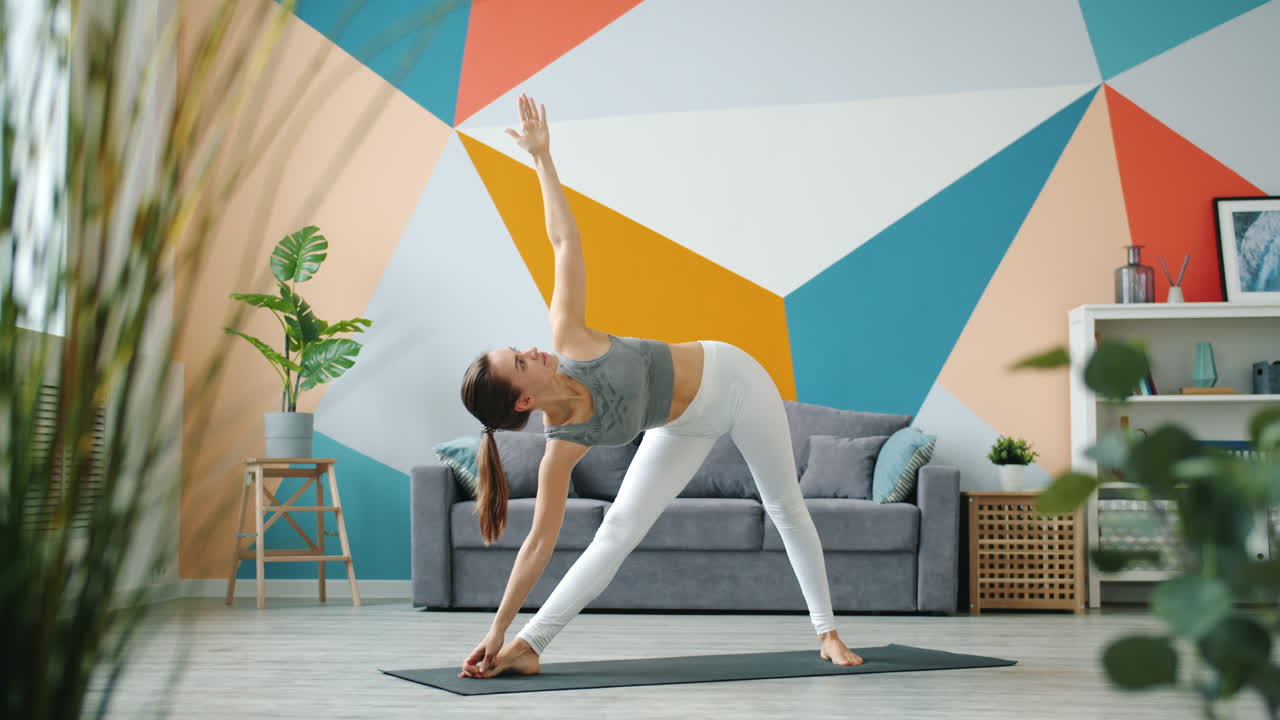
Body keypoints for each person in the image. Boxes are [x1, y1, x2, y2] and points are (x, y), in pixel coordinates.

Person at [456, 94, 864, 680]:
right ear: (524, 399)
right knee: (618, 530)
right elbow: (536, 547)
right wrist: (496, 630)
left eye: (521, 349)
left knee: (784, 505)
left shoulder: (569, 335)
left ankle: (827, 632)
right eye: (522, 361)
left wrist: (543, 159)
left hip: (737, 382)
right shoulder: (561, 447)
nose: (533, 350)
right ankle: (529, 644)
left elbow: (565, 243)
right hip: (683, 424)